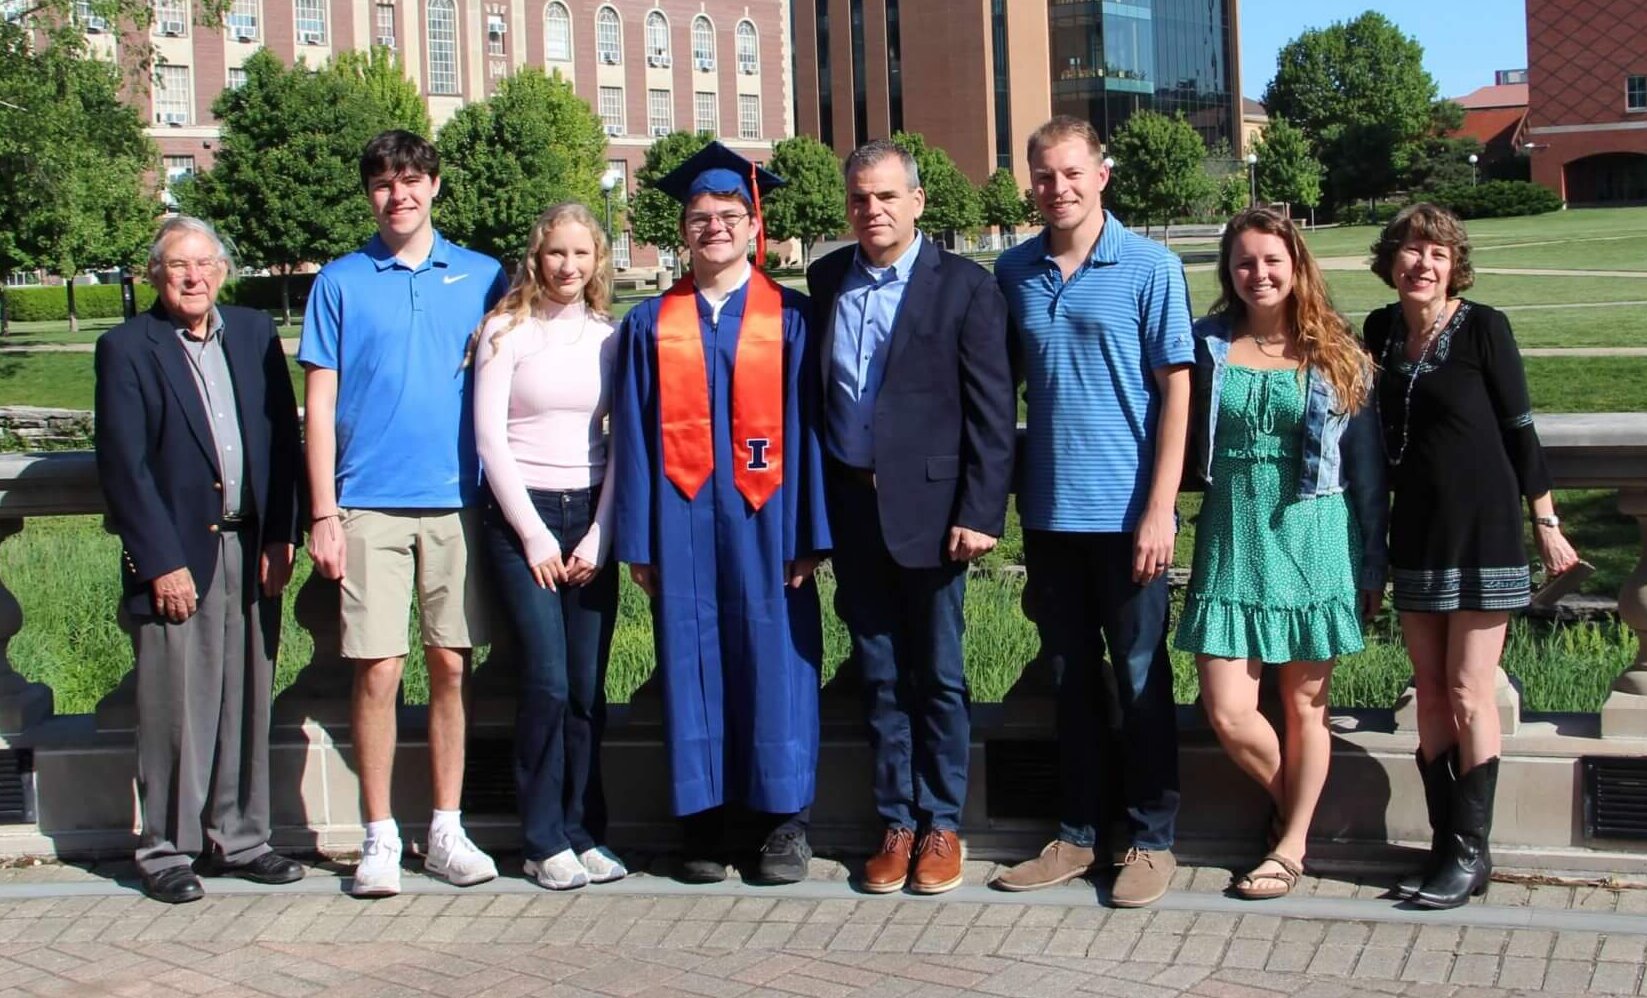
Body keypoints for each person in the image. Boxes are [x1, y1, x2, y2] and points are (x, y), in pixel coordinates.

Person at [611, 141, 831, 885]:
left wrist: (808, 535)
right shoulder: (649, 325)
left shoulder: (791, 318)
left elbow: (807, 432)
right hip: (680, 523)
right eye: (700, 216)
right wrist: (637, 539)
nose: (715, 227)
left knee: (776, 661)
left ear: (752, 224)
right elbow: (635, 438)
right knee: (690, 660)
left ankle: (780, 826)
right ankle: (703, 823)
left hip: (767, 524)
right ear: (683, 229)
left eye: (729, 214)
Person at [299, 129, 509, 898]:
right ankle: (379, 834)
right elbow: (317, 405)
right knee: (378, 669)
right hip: (366, 504)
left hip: (457, 502)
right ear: (370, 194)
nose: (400, 195)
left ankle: (446, 828)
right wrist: (323, 511)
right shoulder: (341, 282)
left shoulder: (484, 277)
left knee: (452, 665)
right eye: (385, 183)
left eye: (413, 180)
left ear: (435, 186)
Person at [990, 115, 1192, 908]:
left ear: (1100, 175)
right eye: (1043, 176)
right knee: (1070, 679)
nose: (1057, 188)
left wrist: (1160, 509)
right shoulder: (1013, 271)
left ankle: (1150, 838)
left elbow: (1176, 387)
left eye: (1071, 173)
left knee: (1141, 675)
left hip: (1126, 514)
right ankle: (1076, 835)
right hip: (1047, 514)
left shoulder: (1149, 267)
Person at [807, 139, 1015, 896]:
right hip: (853, 506)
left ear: (917, 202)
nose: (873, 209)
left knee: (938, 674)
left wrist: (980, 509)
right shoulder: (827, 278)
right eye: (860, 198)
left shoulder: (962, 286)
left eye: (887, 196)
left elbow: (992, 410)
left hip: (934, 514)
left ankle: (942, 823)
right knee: (881, 672)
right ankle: (895, 821)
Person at [1364, 203, 1578, 909]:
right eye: (1409, 251)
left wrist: (1543, 521)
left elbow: (1521, 430)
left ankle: (1468, 852)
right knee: (1425, 689)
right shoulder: (1379, 330)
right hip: (1416, 530)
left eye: (1435, 254)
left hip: (1484, 527)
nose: (1420, 264)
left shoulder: (1485, 327)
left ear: (1453, 265)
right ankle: (1442, 843)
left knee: (1466, 689)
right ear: (1389, 260)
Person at [1173, 207, 1387, 899]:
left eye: (1270, 259)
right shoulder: (1204, 344)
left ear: (1295, 265)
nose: (1257, 273)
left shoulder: (1334, 352)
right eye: (1243, 262)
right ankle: (1298, 803)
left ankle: (1289, 845)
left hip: (1311, 536)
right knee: (1228, 707)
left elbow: (1366, 471)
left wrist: (1369, 563)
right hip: (1231, 533)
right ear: (1227, 272)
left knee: (1303, 706)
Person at [94, 216, 305, 904]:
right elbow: (124, 468)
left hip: (251, 545)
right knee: (173, 708)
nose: (193, 277)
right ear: (155, 275)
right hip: (180, 553)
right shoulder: (127, 348)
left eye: (205, 265)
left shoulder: (250, 334)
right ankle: (166, 850)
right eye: (178, 266)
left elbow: (281, 441)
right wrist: (159, 561)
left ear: (222, 272)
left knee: (247, 696)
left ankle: (240, 838)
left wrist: (282, 535)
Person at [472, 203, 625, 891]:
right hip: (522, 520)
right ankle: (539, 839)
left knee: (587, 689)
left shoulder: (609, 337)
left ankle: (582, 829)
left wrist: (600, 532)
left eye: (581, 255)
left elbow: (625, 443)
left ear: (598, 262)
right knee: (545, 682)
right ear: (537, 256)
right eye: (556, 253)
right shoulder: (505, 332)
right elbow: (489, 441)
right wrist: (532, 534)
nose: (567, 267)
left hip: (589, 516)